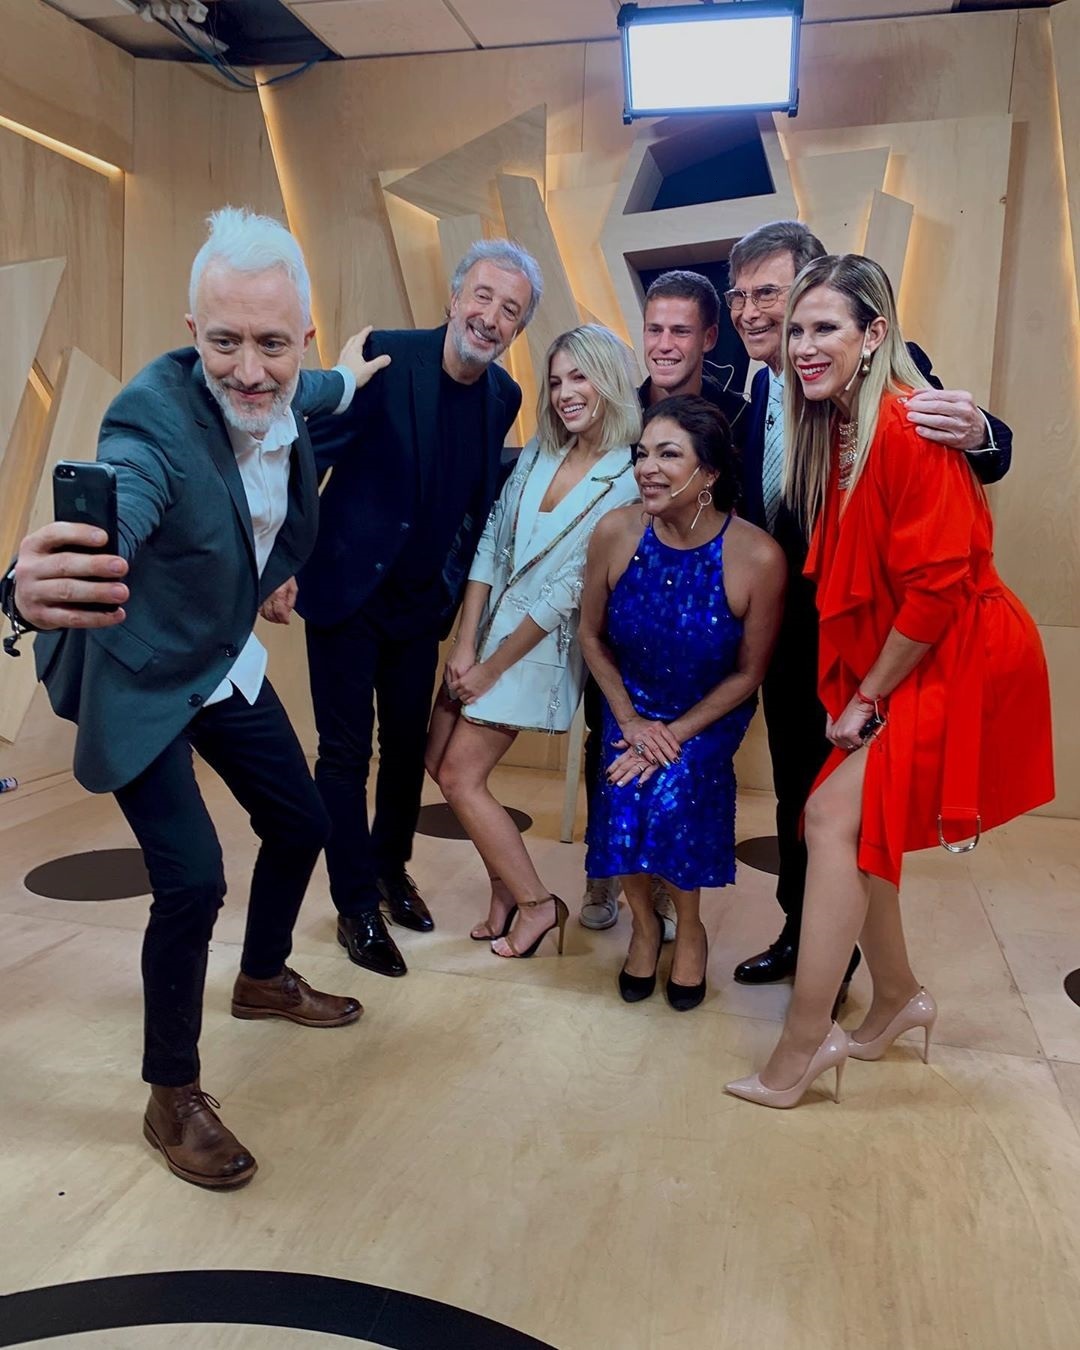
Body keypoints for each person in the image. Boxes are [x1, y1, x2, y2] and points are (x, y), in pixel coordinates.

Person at [2, 207, 389, 1187]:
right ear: (191, 334)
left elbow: (329, 388)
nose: (249, 371)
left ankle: (261, 977)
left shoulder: (300, 384)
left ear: (301, 339)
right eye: (223, 343)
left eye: (272, 345)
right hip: (139, 672)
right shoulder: (150, 422)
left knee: (303, 821)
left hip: (216, 657)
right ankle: (171, 1094)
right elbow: (122, 501)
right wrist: (34, 583)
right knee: (192, 878)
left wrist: (354, 371)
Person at [725, 254, 1053, 1108]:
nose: (802, 344)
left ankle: (804, 1044)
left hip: (959, 653)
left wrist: (869, 693)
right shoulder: (832, 425)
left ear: (874, 335)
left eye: (822, 327)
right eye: (796, 330)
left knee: (829, 818)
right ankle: (899, 996)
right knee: (849, 822)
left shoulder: (909, 421)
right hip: (905, 648)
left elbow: (939, 588)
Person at [275, 241, 543, 980]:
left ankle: (390, 870)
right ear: (455, 298)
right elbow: (308, 455)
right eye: (482, 297)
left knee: (404, 748)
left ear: (517, 330)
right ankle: (355, 904)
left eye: (510, 310)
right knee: (344, 753)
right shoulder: (386, 357)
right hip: (346, 590)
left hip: (420, 603)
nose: (490, 318)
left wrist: (456, 591)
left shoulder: (503, 397)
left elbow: (476, 503)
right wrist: (282, 561)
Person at [426, 324, 642, 958]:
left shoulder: (628, 479)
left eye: (579, 378)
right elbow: (491, 544)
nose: (565, 393)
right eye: (555, 381)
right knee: (436, 761)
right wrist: (464, 644)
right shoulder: (540, 453)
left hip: (534, 653)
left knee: (461, 776)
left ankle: (536, 903)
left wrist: (492, 666)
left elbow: (569, 591)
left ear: (608, 381)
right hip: (482, 636)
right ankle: (504, 890)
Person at [579, 397, 786, 1010]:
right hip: (631, 702)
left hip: (710, 710)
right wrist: (629, 720)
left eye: (668, 454)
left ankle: (689, 929)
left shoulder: (758, 556)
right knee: (621, 781)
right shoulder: (615, 531)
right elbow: (590, 636)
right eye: (642, 453)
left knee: (674, 783)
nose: (647, 467)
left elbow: (749, 673)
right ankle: (645, 927)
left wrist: (671, 735)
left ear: (710, 472)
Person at [580, 270, 749, 934]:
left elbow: (744, 515)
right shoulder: (617, 409)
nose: (665, 344)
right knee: (608, 735)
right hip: (624, 598)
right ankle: (608, 867)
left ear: (709, 337)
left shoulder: (737, 413)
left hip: (705, 606)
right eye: (654, 329)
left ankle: (673, 886)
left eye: (681, 330)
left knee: (688, 760)